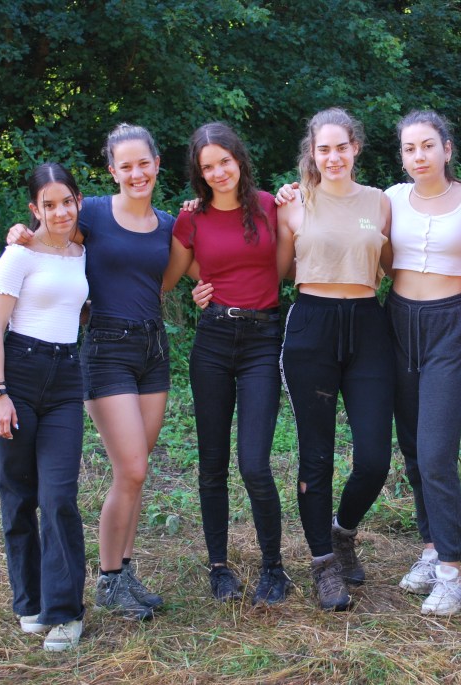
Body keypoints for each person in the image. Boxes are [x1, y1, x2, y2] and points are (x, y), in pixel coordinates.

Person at [9, 123, 180, 620]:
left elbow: (179, 271)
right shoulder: (94, 214)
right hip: (106, 349)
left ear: (157, 164)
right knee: (132, 468)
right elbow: (51, 232)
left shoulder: (169, 224)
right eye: (126, 166)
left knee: (136, 475)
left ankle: (124, 572)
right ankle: (107, 580)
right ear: (112, 171)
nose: (136, 173)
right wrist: (21, 233)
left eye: (143, 163)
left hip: (153, 348)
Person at [167, 122, 290, 606]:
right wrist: (205, 283)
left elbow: (284, 262)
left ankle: (273, 568)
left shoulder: (271, 206)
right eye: (208, 166)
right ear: (198, 173)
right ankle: (218, 567)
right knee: (212, 463)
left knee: (254, 463)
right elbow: (171, 273)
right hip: (214, 340)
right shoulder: (191, 219)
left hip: (263, 339)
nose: (218, 172)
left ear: (239, 159)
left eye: (224, 161)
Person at [277, 107, 394, 611]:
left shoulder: (381, 202)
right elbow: (275, 272)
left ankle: (343, 531)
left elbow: (398, 266)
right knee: (316, 456)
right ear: (312, 152)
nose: (333, 157)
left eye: (341, 147)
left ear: (355, 148)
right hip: (312, 327)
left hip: (368, 326)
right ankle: (323, 563)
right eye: (323, 149)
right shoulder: (292, 203)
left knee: (374, 458)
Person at [383, 111, 461, 616]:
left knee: (435, 451)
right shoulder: (389, 199)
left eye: (427, 145)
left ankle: (452, 572)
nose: (418, 156)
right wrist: (293, 193)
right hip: (398, 321)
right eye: (409, 148)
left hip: (450, 324)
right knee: (411, 448)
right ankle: (430, 551)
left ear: (447, 149)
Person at [0, 163, 88, 651]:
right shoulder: (18, 255)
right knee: (19, 495)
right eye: (49, 204)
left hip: (66, 378)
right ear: (34, 208)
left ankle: (65, 612)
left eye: (67, 201)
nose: (60, 211)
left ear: (78, 201)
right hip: (18, 375)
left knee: (59, 495)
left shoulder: (84, 252)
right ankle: (29, 601)